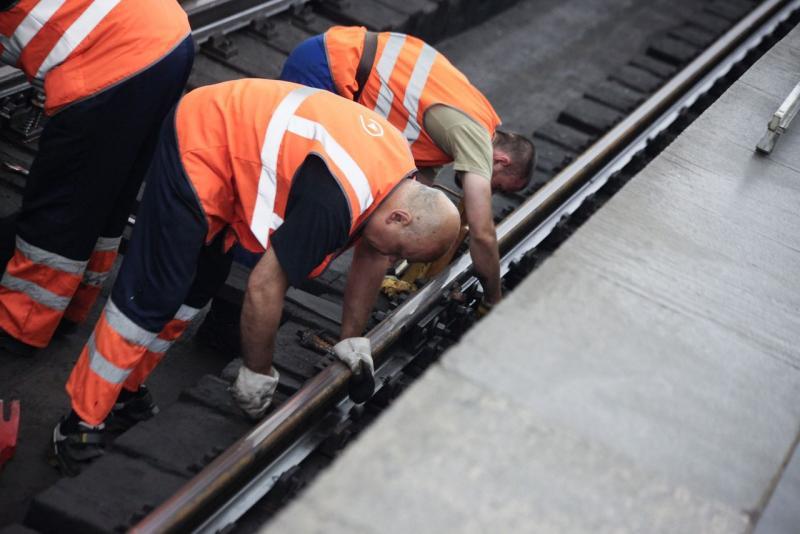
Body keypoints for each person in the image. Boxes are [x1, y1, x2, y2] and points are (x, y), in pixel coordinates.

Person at [51, 79, 460, 476]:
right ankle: (79, 422)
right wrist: (257, 371)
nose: (390, 260)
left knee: (197, 286)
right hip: (203, 138)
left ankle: (124, 393)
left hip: (237, 156)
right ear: (400, 217)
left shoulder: (397, 181)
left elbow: (372, 255)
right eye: (399, 251)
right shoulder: (336, 200)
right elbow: (264, 287)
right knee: (151, 294)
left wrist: (351, 339)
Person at [280, 26, 536, 307]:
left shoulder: (462, 125)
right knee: (289, 178)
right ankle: (260, 272)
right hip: (330, 68)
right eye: (496, 184)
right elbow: (482, 232)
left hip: (333, 53)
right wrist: (493, 297)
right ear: (501, 161)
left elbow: (410, 188)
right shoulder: (476, 137)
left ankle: (272, 267)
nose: (489, 189)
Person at [0, 0, 195, 356]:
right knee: (106, 192)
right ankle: (71, 308)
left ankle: (20, 325)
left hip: (117, 56)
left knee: (66, 197)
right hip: (165, 38)